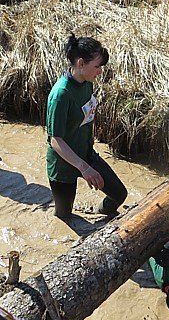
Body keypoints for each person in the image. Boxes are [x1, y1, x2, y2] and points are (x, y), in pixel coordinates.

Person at [46, 34, 127, 219]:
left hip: (86, 154)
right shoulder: (60, 94)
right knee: (63, 216)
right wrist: (84, 168)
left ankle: (101, 219)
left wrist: (87, 161)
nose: (100, 71)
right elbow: (55, 140)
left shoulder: (86, 83)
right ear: (81, 64)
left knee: (120, 195)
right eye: (97, 66)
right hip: (63, 164)